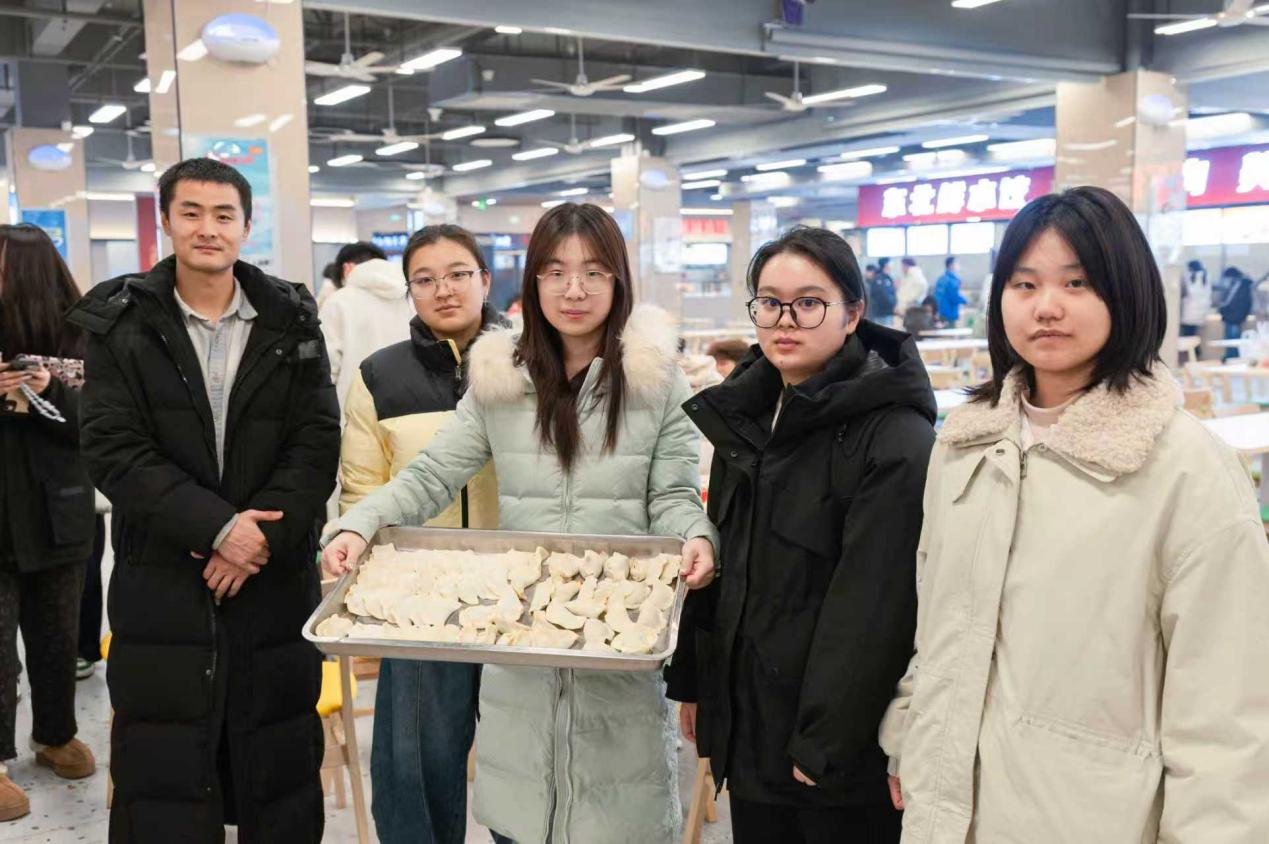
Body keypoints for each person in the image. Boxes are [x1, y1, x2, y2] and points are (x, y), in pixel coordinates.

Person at [880, 186, 1269, 842]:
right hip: (948, 807)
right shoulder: (964, 447)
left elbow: (1228, 714)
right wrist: (910, 732)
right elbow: (938, 619)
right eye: (1024, 284)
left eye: (1077, 282)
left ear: (1128, 293)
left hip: (1092, 818)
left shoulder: (1186, 469)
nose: (1047, 306)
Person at [321, 202, 718, 844]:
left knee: (617, 819)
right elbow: (432, 475)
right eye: (555, 272)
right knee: (521, 815)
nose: (574, 290)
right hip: (523, 642)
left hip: (615, 641)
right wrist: (357, 524)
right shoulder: (500, 377)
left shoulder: (657, 382)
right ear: (532, 281)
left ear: (619, 280)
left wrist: (696, 536)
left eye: (594, 272)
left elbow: (673, 494)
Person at [70, 157, 340, 843]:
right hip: (164, 578)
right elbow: (113, 448)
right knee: (164, 765)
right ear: (165, 220)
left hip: (271, 581)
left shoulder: (291, 319)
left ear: (247, 226)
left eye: (224, 215)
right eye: (190, 212)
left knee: (275, 763)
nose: (207, 229)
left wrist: (258, 540)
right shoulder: (122, 322)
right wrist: (218, 528)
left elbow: (315, 444)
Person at [668, 227, 935, 844]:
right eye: (770, 302)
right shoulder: (749, 414)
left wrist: (824, 740)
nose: (785, 320)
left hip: (836, 750)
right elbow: (726, 556)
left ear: (853, 314)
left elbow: (876, 609)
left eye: (809, 303)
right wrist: (699, 681)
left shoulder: (895, 438)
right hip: (753, 722)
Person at [338, 224, 506, 844]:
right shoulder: (379, 375)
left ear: (484, 279)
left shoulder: (532, 362)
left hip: (519, 591)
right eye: (425, 279)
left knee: (524, 764)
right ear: (409, 291)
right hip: (420, 599)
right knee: (413, 763)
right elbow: (362, 489)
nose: (444, 290)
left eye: (459, 274)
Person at [0, 224, 98, 822]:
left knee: (58, 638)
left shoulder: (81, 337)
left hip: (59, 514)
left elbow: (100, 427)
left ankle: (55, 734)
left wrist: (49, 389)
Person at [320, 252, 414, 412]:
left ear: (347, 268)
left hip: (353, 410)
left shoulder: (338, 301)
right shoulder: (411, 299)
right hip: (407, 406)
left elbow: (327, 368)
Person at [1217, 266, 1254, 360]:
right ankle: (1231, 356)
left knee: (1233, 338)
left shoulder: (1242, 286)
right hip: (1231, 316)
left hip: (1234, 316)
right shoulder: (1237, 285)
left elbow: (1240, 302)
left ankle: (1233, 357)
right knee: (1230, 338)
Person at [1179, 259, 1212, 343]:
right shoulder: (1206, 277)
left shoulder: (1189, 277)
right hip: (1200, 312)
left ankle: (1195, 350)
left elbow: (1186, 293)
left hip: (1189, 312)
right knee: (1193, 335)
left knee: (1188, 337)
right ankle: (1196, 350)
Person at [932, 256, 967, 325]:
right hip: (950, 312)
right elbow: (954, 297)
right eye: (957, 263)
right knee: (950, 329)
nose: (958, 265)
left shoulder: (941, 279)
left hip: (941, 311)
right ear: (951, 265)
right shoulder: (952, 280)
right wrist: (965, 301)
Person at [868, 258, 897, 327]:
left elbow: (892, 293)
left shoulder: (888, 278)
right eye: (890, 263)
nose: (892, 265)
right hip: (882, 313)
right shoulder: (879, 278)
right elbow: (882, 296)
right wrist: (893, 304)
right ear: (885, 265)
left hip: (889, 312)